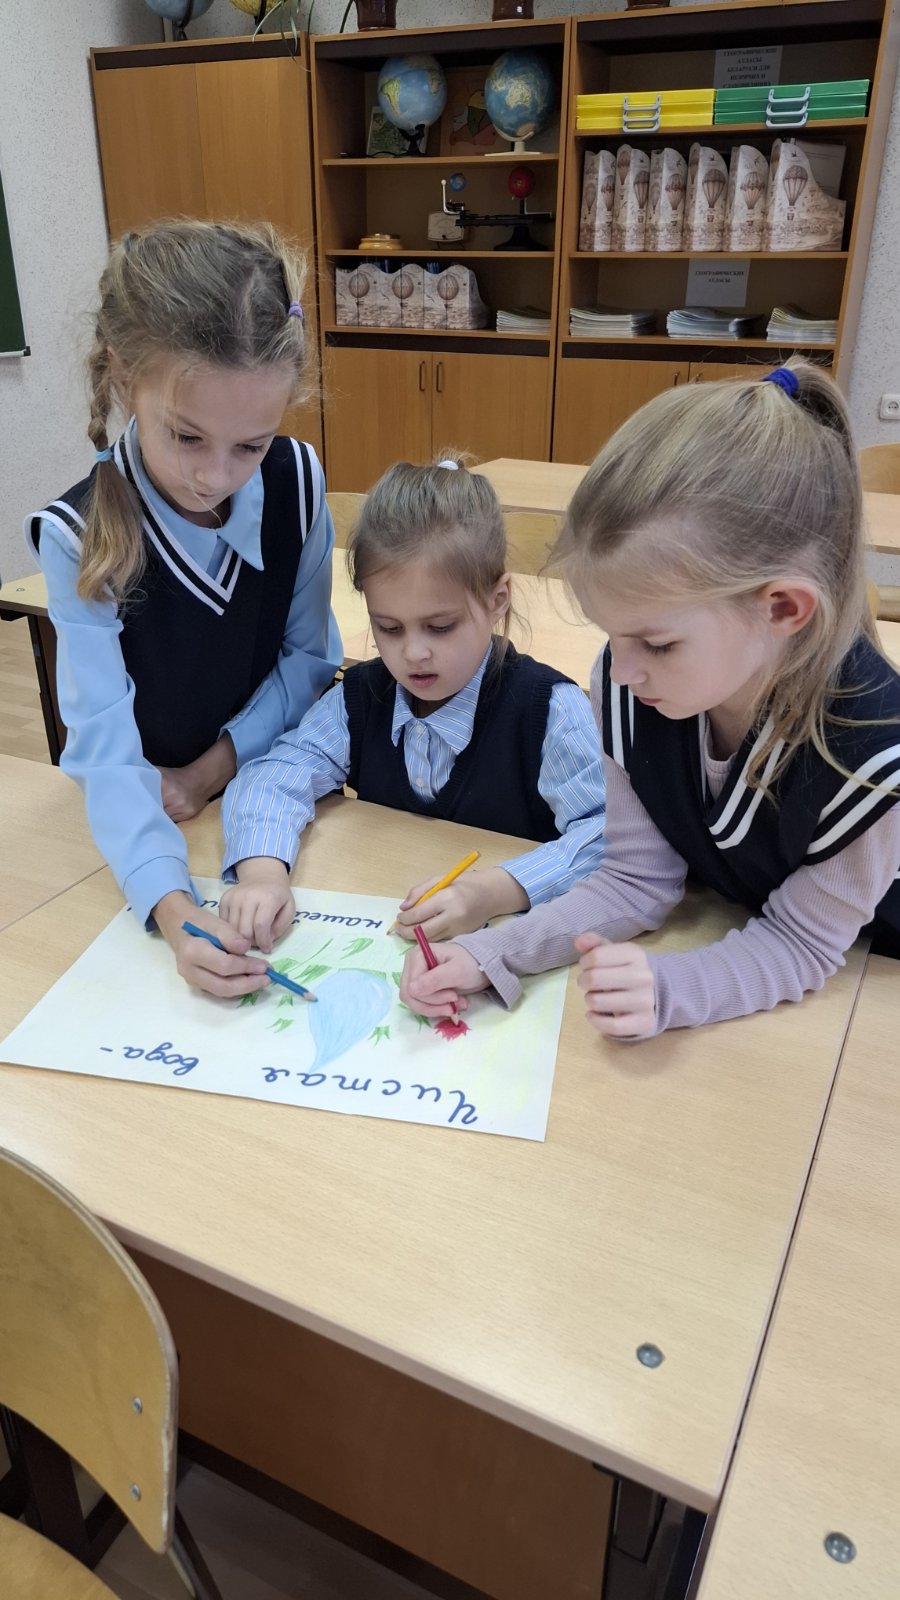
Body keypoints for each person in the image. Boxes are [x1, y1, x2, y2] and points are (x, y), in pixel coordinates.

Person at [400, 363, 900, 1040]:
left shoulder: (872, 756)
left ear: (782, 608)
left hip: (869, 982)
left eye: (658, 644)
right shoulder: (632, 683)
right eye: (611, 634)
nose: (620, 670)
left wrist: (672, 989)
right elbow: (637, 878)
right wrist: (492, 952)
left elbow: (804, 944)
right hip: (741, 927)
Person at [26, 219, 342, 996]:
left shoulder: (299, 484)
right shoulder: (78, 536)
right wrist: (172, 910)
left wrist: (208, 773)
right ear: (122, 376)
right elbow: (104, 749)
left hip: (266, 802)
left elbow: (310, 660)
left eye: (252, 445)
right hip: (150, 821)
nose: (217, 476)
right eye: (187, 437)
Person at [217, 453, 606, 950]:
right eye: (389, 628)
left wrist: (496, 891)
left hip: (503, 946)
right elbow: (272, 777)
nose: (414, 653)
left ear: (497, 600)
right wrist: (262, 875)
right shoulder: (360, 697)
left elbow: (610, 838)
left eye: (440, 627)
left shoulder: (550, 713)